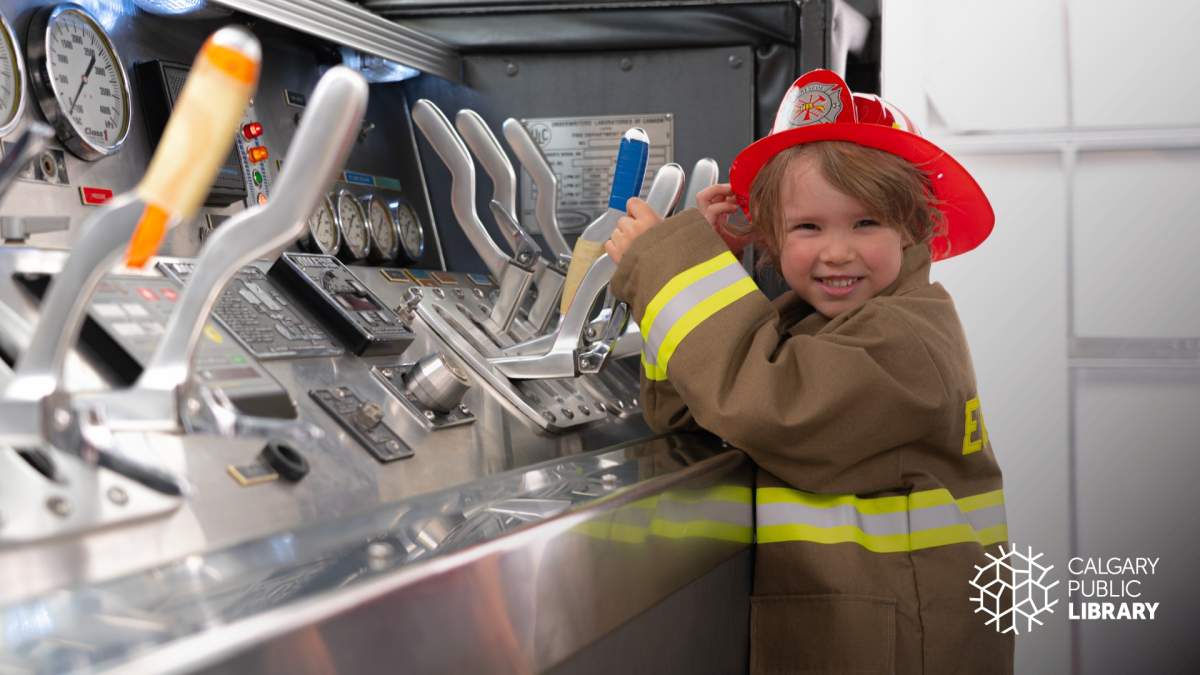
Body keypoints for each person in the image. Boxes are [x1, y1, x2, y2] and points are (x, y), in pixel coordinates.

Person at [604, 69, 1012, 674]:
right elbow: (691, 411)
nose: (837, 250)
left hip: (902, 649)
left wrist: (670, 267)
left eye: (865, 223)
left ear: (914, 227)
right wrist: (712, 272)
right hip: (862, 630)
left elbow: (765, 402)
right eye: (808, 227)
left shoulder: (907, 338)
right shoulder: (814, 325)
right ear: (770, 235)